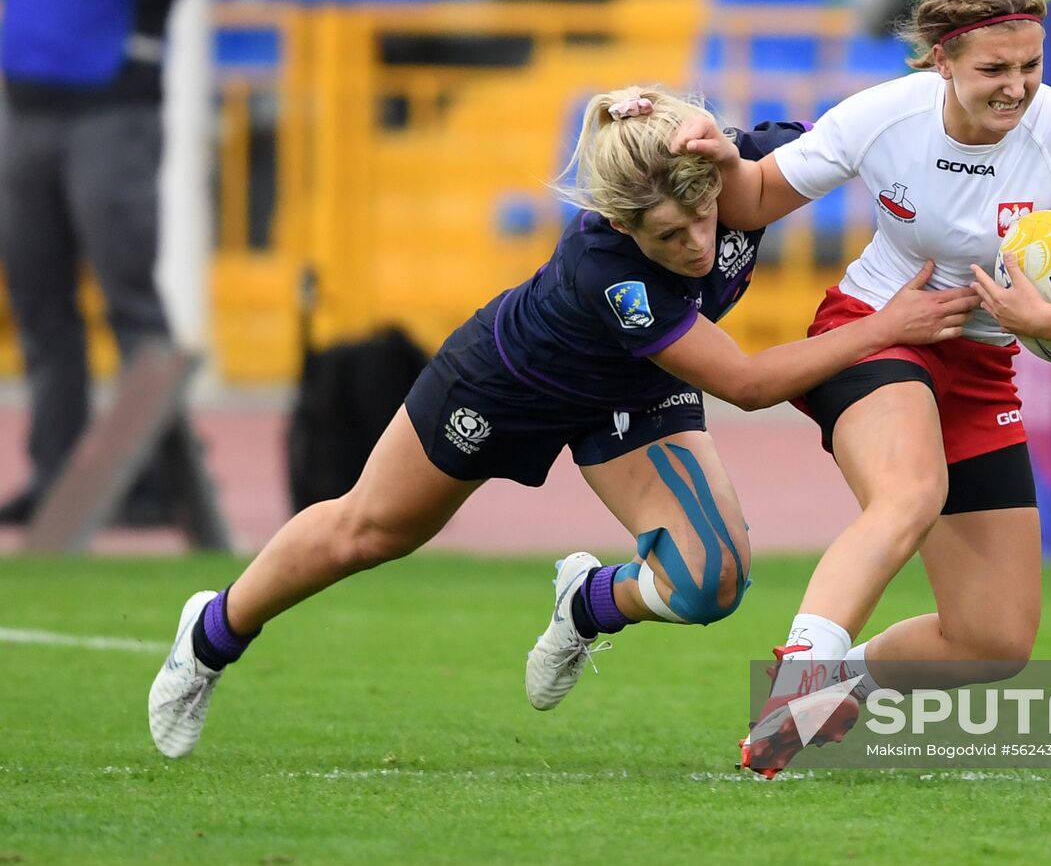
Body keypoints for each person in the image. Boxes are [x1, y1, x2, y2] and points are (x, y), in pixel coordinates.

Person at [146, 86, 980, 758]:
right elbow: (751, 383)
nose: (698, 242)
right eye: (668, 233)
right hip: (511, 382)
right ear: (622, 225)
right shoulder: (608, 269)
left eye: (704, 218)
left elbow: (861, 132)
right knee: (369, 532)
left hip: (639, 389)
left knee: (710, 584)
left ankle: (588, 602)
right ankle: (211, 635)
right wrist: (885, 326)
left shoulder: (740, 161)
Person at [673, 0, 1051, 777]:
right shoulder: (884, 117)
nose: (1017, 88)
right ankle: (798, 674)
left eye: (1030, 66)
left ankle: (832, 690)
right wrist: (717, 155)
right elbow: (757, 195)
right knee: (912, 492)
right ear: (941, 61)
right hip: (876, 331)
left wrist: (1046, 322)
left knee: (992, 640)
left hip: (981, 366)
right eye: (994, 70)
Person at [0, 0, 209, 526]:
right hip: (25, 106)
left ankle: (154, 480)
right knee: (38, 303)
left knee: (130, 300)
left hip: (112, 110)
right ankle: (56, 476)